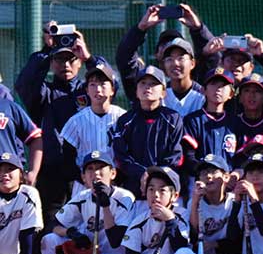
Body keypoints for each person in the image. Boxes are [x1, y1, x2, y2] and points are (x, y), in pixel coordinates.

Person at [15, 24, 105, 221]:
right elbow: (25, 83)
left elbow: (108, 83)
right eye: (59, 59)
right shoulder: (44, 93)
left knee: (89, 226)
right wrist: (46, 49)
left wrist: (89, 57)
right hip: (51, 175)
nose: (65, 64)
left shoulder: (88, 90)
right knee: (51, 228)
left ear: (78, 62)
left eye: (71, 59)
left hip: (86, 173)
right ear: (51, 63)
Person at [40, 151, 134, 254]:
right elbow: (53, 225)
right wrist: (71, 233)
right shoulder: (82, 197)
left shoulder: (125, 197)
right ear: (83, 177)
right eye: (90, 169)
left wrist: (105, 205)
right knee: (50, 241)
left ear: (112, 173)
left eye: (100, 168)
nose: (95, 173)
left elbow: (116, 241)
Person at [116, 4, 215, 101]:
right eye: (165, 45)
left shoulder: (200, 85)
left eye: (180, 56)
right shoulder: (145, 83)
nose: (175, 62)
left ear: (192, 63)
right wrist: (140, 28)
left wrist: (198, 29)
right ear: (157, 54)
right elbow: (125, 57)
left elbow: (213, 56)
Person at [111, 66, 184, 196]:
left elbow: (176, 156)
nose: (147, 87)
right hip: (133, 190)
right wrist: (141, 173)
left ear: (163, 92)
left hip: (165, 190)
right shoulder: (126, 120)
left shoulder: (173, 119)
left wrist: (155, 175)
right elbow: (121, 156)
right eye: (143, 83)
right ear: (137, 91)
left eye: (153, 83)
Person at [60, 63, 126, 191]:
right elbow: (67, 159)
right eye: (93, 84)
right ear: (87, 90)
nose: (98, 89)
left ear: (112, 89)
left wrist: (118, 180)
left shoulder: (123, 118)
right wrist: (84, 180)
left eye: (103, 84)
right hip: (84, 186)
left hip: (116, 186)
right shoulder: (76, 121)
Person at [0, 151, 44, 254]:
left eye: (10, 169)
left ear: (21, 173)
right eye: (1, 169)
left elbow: (27, 234)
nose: (4, 174)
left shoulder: (28, 194)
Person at [182, 67, 239, 177]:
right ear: (203, 90)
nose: (218, 89)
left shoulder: (235, 122)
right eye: (213, 84)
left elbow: (240, 155)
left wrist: (234, 174)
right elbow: (189, 156)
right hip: (200, 180)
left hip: (229, 181)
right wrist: (204, 172)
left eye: (222, 86)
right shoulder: (193, 120)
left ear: (231, 94)